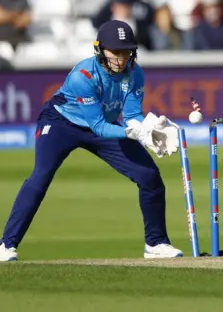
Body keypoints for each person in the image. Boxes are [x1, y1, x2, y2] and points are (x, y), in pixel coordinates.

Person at [0, 20, 182, 262]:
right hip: (61, 123)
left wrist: (148, 130)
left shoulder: (135, 73)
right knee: (41, 175)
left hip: (104, 124)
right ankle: (6, 245)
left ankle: (156, 243)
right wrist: (134, 133)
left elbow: (131, 116)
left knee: (149, 176)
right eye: (115, 52)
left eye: (126, 52)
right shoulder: (83, 76)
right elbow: (98, 126)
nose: (121, 58)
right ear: (100, 50)